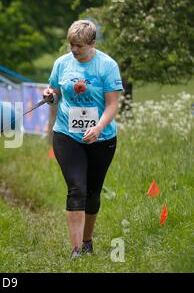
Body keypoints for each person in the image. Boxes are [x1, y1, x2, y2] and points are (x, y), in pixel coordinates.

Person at [43, 20, 123, 260]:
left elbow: (112, 104)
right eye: (71, 45)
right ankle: (76, 250)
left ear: (92, 44)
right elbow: (54, 89)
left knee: (92, 192)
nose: (74, 50)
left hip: (101, 138)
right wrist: (50, 94)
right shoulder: (62, 63)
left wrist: (98, 128)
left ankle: (88, 241)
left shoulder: (107, 66)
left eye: (79, 46)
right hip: (67, 134)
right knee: (76, 188)